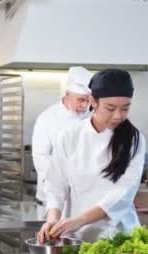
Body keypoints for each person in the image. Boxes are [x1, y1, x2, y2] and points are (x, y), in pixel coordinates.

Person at [37, 69, 146, 243]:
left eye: (125, 108)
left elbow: (122, 193)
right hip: (76, 237)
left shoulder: (134, 139)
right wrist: (52, 220)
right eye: (110, 108)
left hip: (119, 236)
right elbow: (56, 185)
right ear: (93, 102)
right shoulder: (70, 135)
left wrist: (80, 220)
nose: (118, 116)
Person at [32, 66, 93, 219]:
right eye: (81, 100)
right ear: (67, 94)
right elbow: (41, 157)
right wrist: (59, 187)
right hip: (52, 199)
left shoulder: (91, 118)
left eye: (88, 101)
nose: (85, 106)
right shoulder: (47, 118)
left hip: (84, 199)